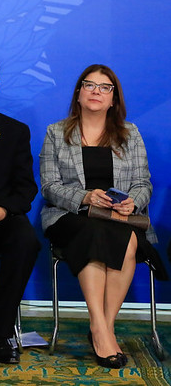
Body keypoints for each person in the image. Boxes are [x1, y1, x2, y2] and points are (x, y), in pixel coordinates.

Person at [40, 64, 167, 369]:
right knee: (92, 232)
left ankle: (102, 327)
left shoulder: (130, 133)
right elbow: (49, 187)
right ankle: (101, 327)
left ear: (114, 99)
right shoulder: (57, 132)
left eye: (105, 87)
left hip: (119, 219)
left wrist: (131, 203)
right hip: (70, 216)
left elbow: (142, 183)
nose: (96, 91)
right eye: (89, 85)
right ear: (79, 94)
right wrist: (85, 196)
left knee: (125, 239)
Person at [0, 56, 40, 364]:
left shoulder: (14, 131)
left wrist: (2, 210)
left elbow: (26, 188)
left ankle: (0, 332)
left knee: (26, 241)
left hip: (1, 217)